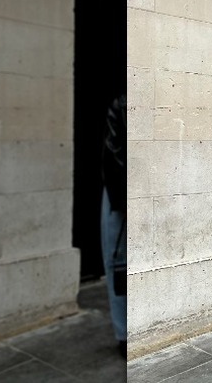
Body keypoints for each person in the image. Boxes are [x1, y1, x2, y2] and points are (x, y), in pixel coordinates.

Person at [101, 91, 127, 359]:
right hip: (119, 191)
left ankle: (125, 332)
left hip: (126, 191)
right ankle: (123, 333)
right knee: (117, 261)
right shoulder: (120, 104)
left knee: (118, 261)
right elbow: (114, 155)